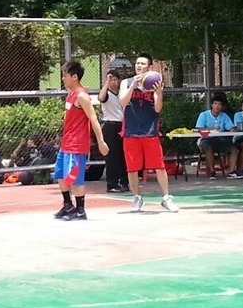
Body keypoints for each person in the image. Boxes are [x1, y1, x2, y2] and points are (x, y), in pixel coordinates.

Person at [119, 53, 177, 213]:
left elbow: (158, 108)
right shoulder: (126, 82)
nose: (139, 66)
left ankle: (166, 198)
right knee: (132, 168)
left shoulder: (155, 82)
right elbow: (123, 102)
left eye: (142, 64)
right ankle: (137, 197)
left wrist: (160, 92)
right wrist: (133, 85)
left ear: (149, 67)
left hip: (150, 130)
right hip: (131, 131)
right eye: (137, 63)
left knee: (159, 166)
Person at [54, 61, 110, 221]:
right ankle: (67, 205)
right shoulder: (71, 94)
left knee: (74, 177)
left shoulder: (82, 96)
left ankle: (80, 211)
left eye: (65, 76)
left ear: (75, 77)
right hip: (66, 142)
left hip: (76, 144)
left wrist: (101, 141)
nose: (63, 79)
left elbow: (93, 118)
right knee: (60, 174)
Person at [195, 93, 239, 179]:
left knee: (234, 149)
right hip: (205, 140)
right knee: (208, 148)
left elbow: (231, 127)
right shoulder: (203, 115)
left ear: (222, 106)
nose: (217, 106)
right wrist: (212, 129)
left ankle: (231, 172)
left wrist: (232, 129)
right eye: (215, 104)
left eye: (219, 104)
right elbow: (199, 129)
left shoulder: (224, 116)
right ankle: (212, 172)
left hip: (219, 140)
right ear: (212, 105)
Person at [97, 68, 127, 192]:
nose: (113, 82)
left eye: (115, 79)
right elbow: (101, 98)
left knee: (123, 155)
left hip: (122, 126)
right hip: (110, 126)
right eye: (111, 80)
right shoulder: (107, 93)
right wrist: (106, 83)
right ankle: (112, 184)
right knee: (112, 156)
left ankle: (124, 182)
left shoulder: (122, 94)